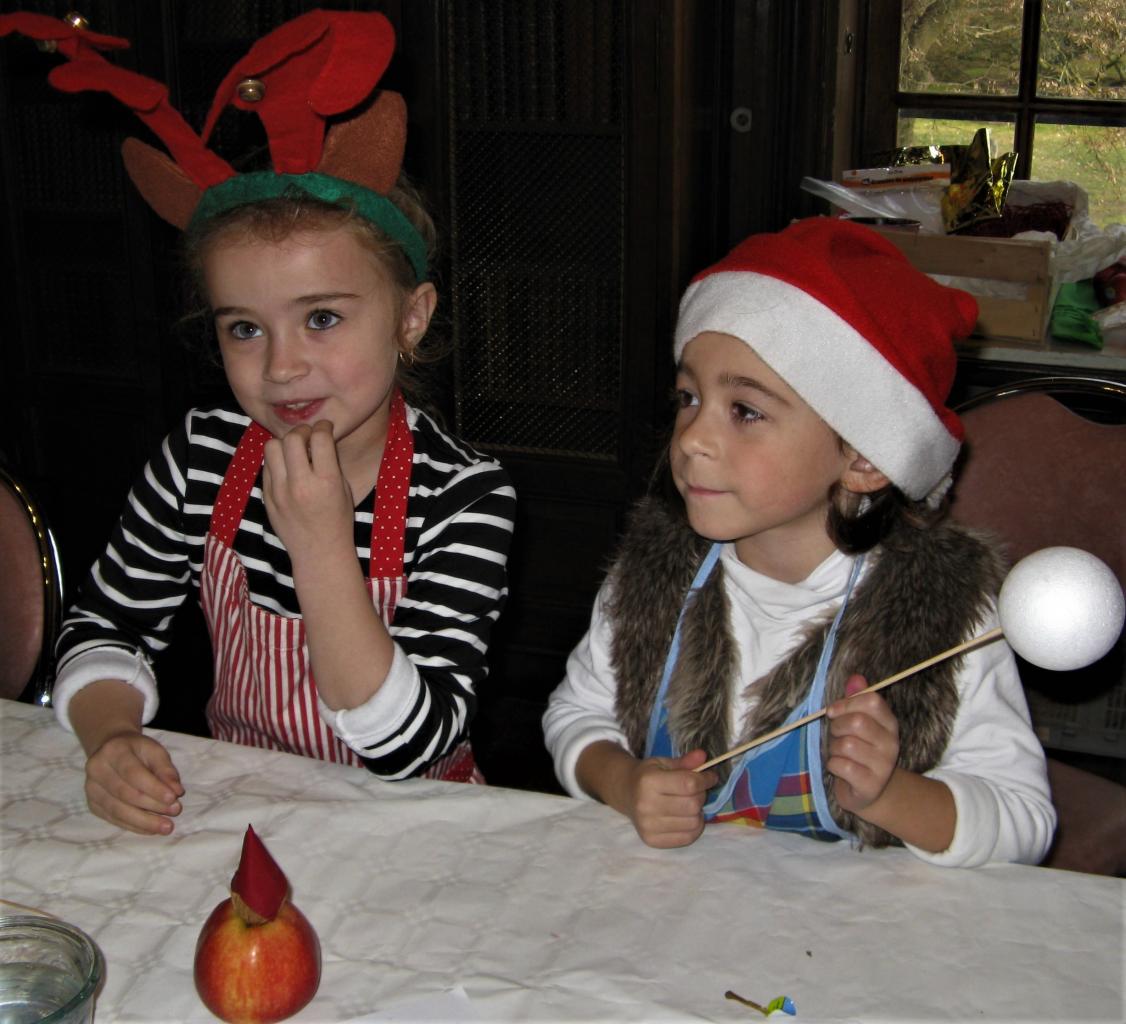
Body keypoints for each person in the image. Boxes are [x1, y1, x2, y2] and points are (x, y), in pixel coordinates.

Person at [16, 10, 516, 835]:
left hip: (413, 828)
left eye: (321, 318)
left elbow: (415, 745)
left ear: (411, 318)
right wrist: (108, 737)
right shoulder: (202, 456)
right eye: (244, 328)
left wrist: (320, 543)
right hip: (246, 810)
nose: (280, 367)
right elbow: (106, 625)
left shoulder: (463, 497)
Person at [543, 217, 1056, 868]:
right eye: (688, 397)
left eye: (745, 411)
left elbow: (1026, 821)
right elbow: (574, 716)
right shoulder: (652, 575)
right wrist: (623, 782)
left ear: (866, 459)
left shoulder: (951, 614)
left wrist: (889, 795)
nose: (693, 437)